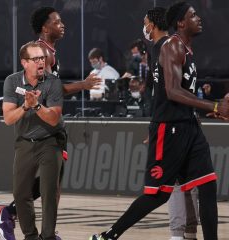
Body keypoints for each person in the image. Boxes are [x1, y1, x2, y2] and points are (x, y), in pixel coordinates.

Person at [89, 2, 229, 240]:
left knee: (207, 185)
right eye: (193, 15)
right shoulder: (171, 46)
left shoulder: (182, 48)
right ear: (181, 22)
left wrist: (211, 108)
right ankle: (109, 235)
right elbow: (173, 91)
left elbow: (171, 93)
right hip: (171, 128)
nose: (200, 18)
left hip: (188, 126)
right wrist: (214, 105)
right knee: (158, 195)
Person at [0, 7, 100, 240]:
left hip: (49, 125)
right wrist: (83, 85)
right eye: (57, 22)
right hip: (43, 128)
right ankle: (13, 215)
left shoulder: (48, 50)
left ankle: (31, 224)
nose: (62, 25)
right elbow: (53, 88)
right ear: (44, 27)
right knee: (51, 188)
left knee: (52, 185)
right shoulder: (44, 52)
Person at [145, 7, 199, 240]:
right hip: (177, 120)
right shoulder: (170, 46)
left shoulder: (168, 46)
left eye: (146, 23)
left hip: (175, 123)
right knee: (188, 181)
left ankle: (179, 234)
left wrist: (159, 123)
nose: (144, 27)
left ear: (153, 24)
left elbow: (169, 92)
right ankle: (188, 232)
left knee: (175, 182)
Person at [2, 41, 65, 240]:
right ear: (24, 63)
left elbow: (54, 118)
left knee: (48, 193)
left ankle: (48, 237)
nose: (41, 62)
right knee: (20, 194)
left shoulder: (53, 82)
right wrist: (26, 107)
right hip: (24, 142)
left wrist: (37, 106)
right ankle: (30, 236)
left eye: (42, 58)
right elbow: (8, 119)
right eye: (35, 58)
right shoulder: (12, 82)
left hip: (50, 142)